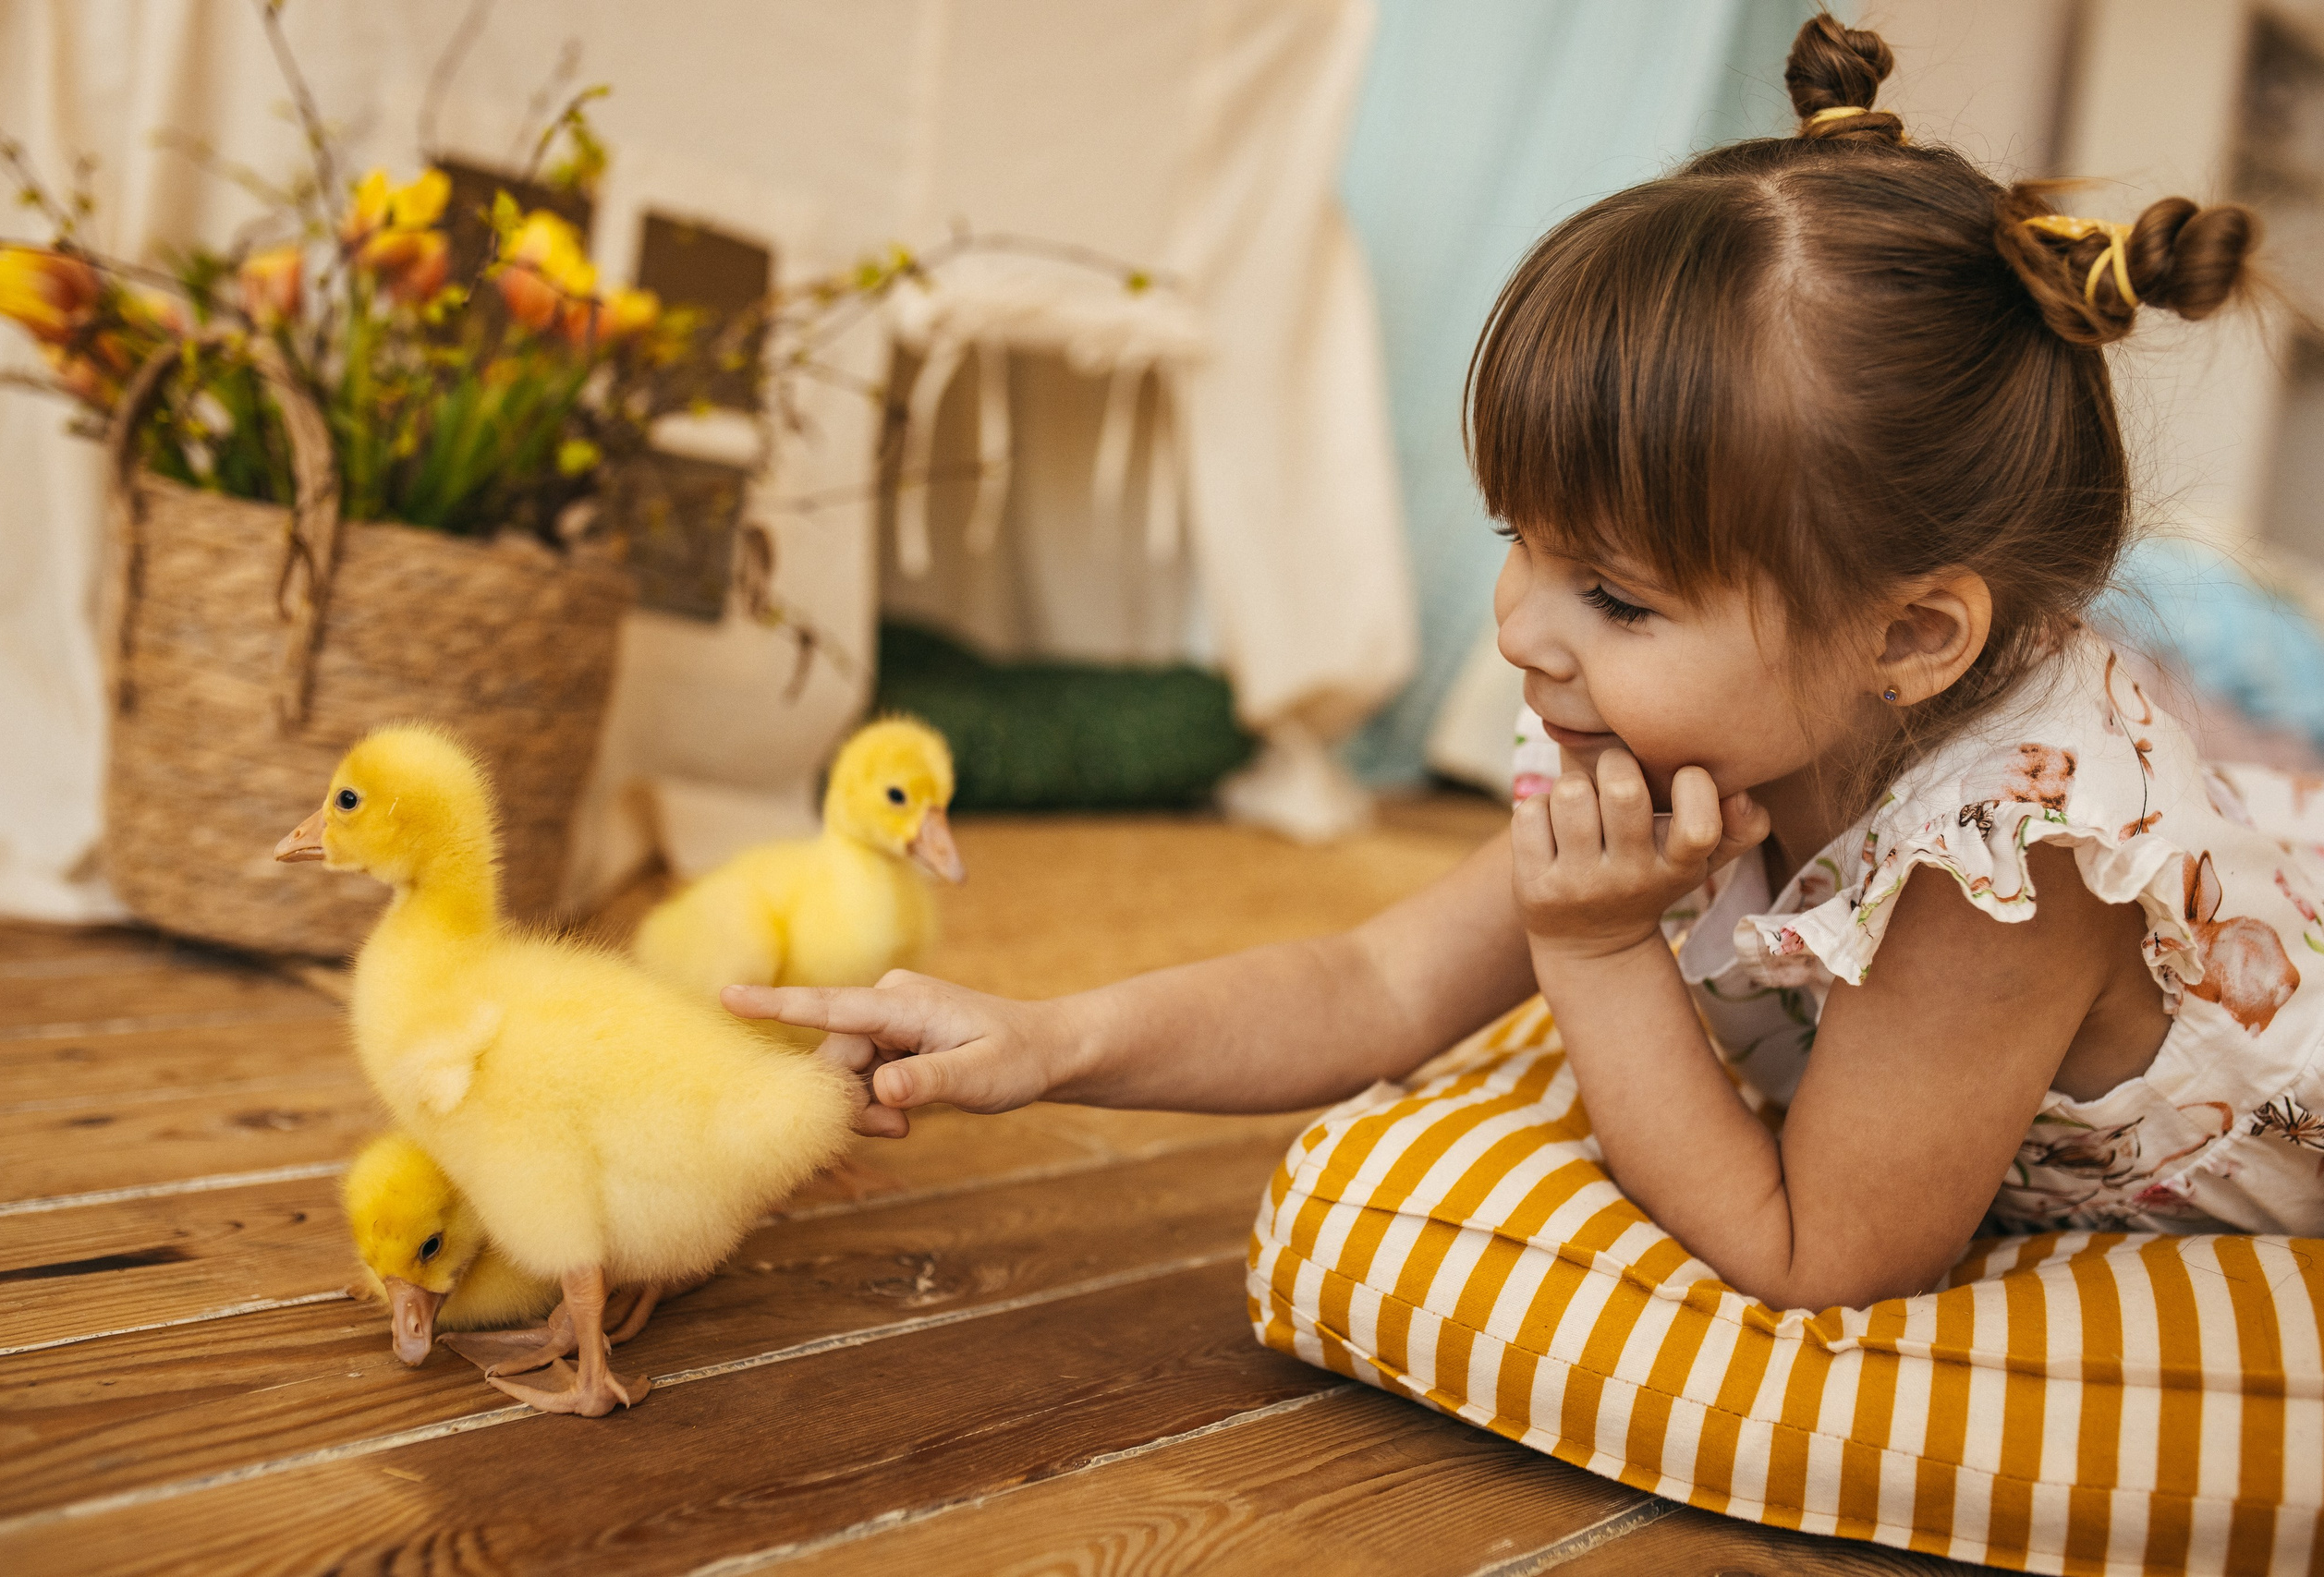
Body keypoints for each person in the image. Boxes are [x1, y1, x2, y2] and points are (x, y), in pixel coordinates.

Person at [726, 15, 2309, 1318]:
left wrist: (1606, 951)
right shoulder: (1686, 721)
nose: (1517, 628)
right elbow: (1379, 980)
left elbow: (1818, 1257)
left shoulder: (2003, 875)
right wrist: (1048, 1038)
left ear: (1907, 636)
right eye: (1521, 539)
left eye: (1615, 593)